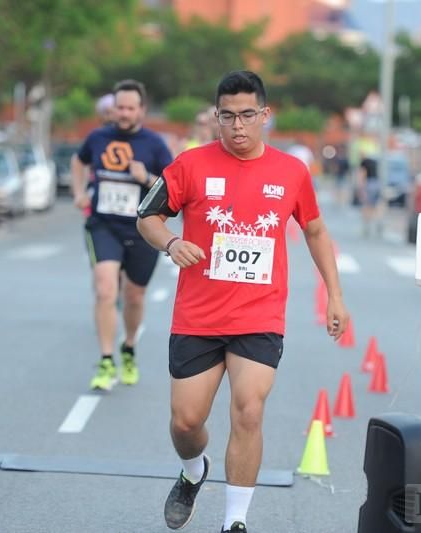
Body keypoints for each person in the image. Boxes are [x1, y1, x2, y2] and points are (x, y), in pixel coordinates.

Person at [137, 70, 349, 533]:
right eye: (227, 116)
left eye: (247, 115)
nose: (237, 126)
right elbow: (146, 216)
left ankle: (235, 521)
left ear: (265, 115)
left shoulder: (291, 172)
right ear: (216, 116)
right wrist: (171, 243)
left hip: (260, 314)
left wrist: (335, 295)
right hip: (198, 315)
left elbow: (314, 230)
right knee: (186, 422)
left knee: (249, 409)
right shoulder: (190, 165)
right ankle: (194, 471)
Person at [71, 79, 173, 391]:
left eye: (131, 108)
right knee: (105, 289)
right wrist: (79, 192)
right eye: (120, 107)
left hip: (143, 229)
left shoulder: (154, 145)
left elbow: (172, 188)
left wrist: (146, 178)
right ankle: (105, 359)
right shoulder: (98, 137)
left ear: (142, 110)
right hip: (104, 225)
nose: (124, 113)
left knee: (134, 295)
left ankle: (128, 347)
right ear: (112, 108)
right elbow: (79, 160)